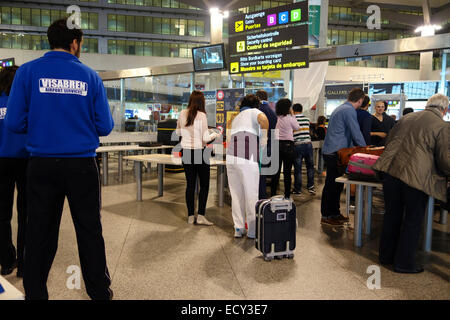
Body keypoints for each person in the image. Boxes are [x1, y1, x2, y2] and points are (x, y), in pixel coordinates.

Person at [5, 18, 114, 300]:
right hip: (82, 166)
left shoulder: (27, 73)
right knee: (89, 229)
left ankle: (36, 292)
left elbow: (14, 122)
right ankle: (99, 292)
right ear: (75, 43)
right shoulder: (90, 77)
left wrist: (42, 123)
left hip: (41, 164)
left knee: (39, 231)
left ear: (50, 41)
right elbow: (105, 126)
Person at [374, 93, 449, 274]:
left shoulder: (406, 118)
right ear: (444, 109)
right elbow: (445, 160)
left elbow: (389, 142)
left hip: (391, 172)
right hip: (416, 178)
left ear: (428, 105)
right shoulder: (442, 126)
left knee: (392, 215)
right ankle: (404, 263)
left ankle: (385, 256)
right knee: (413, 221)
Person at [320, 88, 367, 226]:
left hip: (333, 151)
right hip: (335, 152)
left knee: (336, 185)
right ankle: (327, 215)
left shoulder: (341, 108)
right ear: (360, 100)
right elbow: (355, 132)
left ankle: (334, 213)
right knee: (332, 185)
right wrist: (365, 149)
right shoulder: (348, 110)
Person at [226, 94, 269, 238]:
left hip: (231, 157)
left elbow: (229, 136)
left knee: (236, 194)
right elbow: (264, 119)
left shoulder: (236, 117)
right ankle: (252, 231)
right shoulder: (254, 112)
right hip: (246, 156)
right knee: (251, 194)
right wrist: (264, 139)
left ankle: (238, 228)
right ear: (256, 105)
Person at [0, 65, 28, 278]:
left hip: (1, 162)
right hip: (27, 161)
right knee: (26, 214)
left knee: (2, 215)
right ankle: (25, 262)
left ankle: (7, 261)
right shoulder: (25, 101)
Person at [176, 90, 220, 225]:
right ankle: (200, 216)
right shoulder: (202, 115)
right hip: (199, 153)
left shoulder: (182, 113)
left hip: (186, 152)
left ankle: (190, 216)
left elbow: (178, 132)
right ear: (202, 102)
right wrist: (216, 134)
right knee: (204, 185)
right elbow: (206, 139)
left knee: (190, 185)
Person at [272, 99, 300, 199]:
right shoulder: (290, 118)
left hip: (277, 144)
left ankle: (273, 194)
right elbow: (297, 127)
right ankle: (287, 195)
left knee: (276, 171)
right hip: (288, 145)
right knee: (287, 172)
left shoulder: (277, 118)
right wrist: (293, 115)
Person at [255, 90, 277, 199]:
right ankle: (262, 196)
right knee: (263, 172)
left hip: (260, 145)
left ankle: (260, 197)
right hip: (269, 144)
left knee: (258, 173)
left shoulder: (258, 111)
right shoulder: (272, 111)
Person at [292, 103, 315, 195]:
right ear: (301, 110)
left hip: (297, 145)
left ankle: (298, 190)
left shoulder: (293, 119)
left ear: (293, 110)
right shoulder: (307, 119)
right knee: (310, 167)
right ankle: (311, 187)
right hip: (308, 144)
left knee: (298, 168)